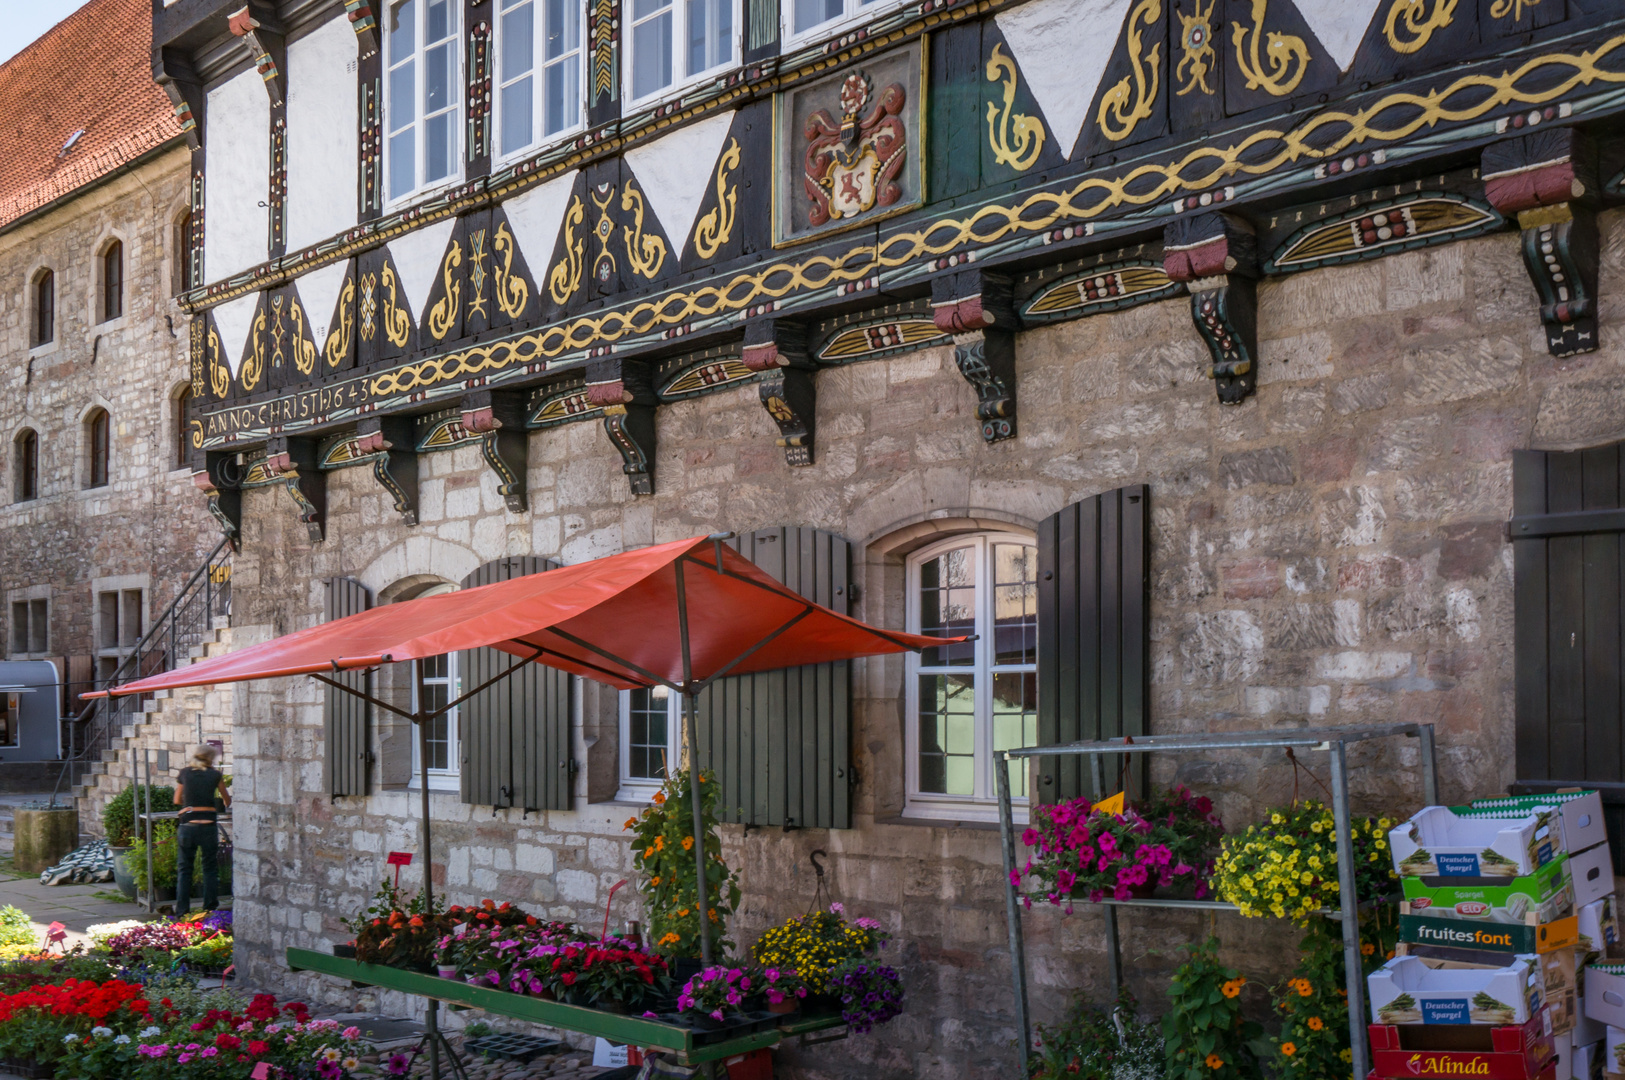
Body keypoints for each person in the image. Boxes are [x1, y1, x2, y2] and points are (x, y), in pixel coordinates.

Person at [172, 744, 229, 915]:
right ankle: (210, 909)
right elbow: (226, 800)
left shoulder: (185, 773)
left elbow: (176, 799)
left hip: (188, 826)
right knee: (210, 868)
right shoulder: (215, 775)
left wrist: (190, 806)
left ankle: (182, 911)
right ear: (211, 758)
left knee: (184, 869)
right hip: (208, 826)